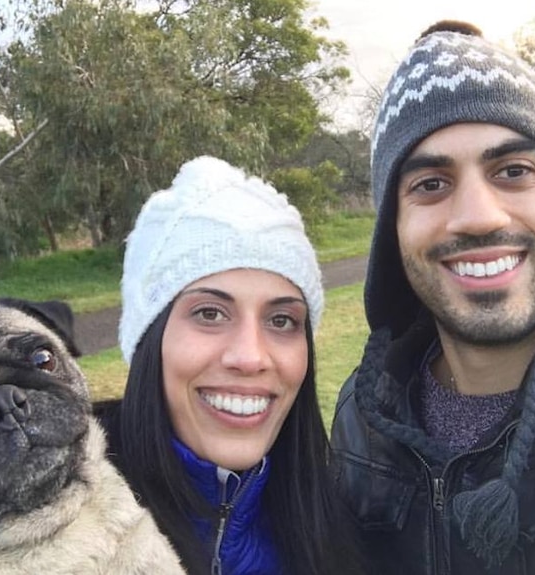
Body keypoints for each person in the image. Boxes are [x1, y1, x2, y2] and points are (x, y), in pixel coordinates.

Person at [330, 20, 535, 575]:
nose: (479, 216)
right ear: (393, 228)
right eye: (430, 183)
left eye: (512, 170)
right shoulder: (365, 416)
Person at [95, 155, 367, 574]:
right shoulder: (51, 532)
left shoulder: (335, 524)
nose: (250, 357)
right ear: (149, 338)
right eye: (209, 313)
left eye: (282, 320)